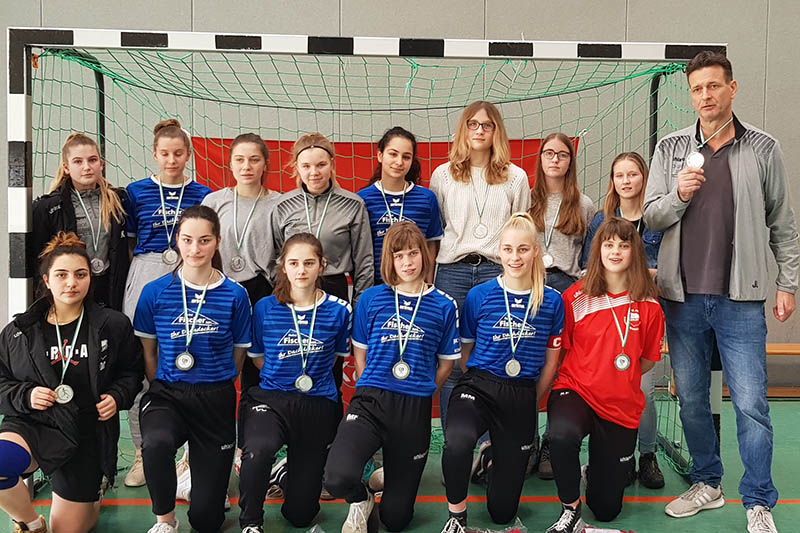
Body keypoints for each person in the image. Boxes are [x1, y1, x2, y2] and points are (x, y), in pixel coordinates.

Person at [643, 51, 800, 533]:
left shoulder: (762, 148)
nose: (705, 96)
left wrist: (787, 283)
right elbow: (649, 216)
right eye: (697, 88)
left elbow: (784, 225)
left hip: (741, 298)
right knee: (690, 398)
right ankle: (707, 483)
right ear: (689, 94)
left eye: (714, 86)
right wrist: (679, 195)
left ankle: (758, 501)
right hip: (682, 297)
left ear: (732, 89)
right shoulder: (670, 149)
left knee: (751, 402)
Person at [0, 232, 142, 533]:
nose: (71, 283)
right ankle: (30, 523)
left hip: (84, 431)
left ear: (90, 278)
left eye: (80, 275)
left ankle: (91, 495)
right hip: (33, 423)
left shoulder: (113, 325)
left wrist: (117, 397)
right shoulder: (19, 331)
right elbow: (1, 383)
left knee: (68, 529)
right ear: (47, 279)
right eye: (61, 275)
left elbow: (132, 374)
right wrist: (25, 395)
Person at [325, 221, 460, 533]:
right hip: (371, 401)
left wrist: (424, 390)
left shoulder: (443, 304)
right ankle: (362, 499)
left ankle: (387, 475)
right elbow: (359, 353)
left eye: (413, 253)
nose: (407, 262)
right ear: (390, 260)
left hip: (414, 408)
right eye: (399, 256)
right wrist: (368, 383)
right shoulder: (372, 299)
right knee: (336, 478)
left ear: (424, 256)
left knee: (396, 520)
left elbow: (445, 364)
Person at [440, 213, 563, 533]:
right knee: (457, 440)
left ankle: (492, 458)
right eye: (508, 249)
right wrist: (481, 379)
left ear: (535, 251)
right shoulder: (480, 295)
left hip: (522, 391)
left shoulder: (551, 301)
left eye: (522, 249)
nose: (514, 257)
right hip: (479, 386)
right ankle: (457, 517)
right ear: (499, 252)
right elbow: (466, 351)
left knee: (502, 513)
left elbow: (551, 362)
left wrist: (530, 398)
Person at [133, 205, 251, 533]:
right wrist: (165, 385)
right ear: (177, 240)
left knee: (205, 521)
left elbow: (239, 354)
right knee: (155, 443)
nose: (194, 249)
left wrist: (214, 378)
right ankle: (165, 521)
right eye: (187, 240)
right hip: (168, 393)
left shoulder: (236, 294)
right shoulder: (154, 292)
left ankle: (202, 490)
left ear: (217, 242)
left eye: (203, 240)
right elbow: (148, 351)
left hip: (215, 396)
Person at [546, 217, 664, 533]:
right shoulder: (575, 297)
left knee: (606, 510)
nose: (615, 251)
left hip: (620, 405)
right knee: (560, 435)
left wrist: (615, 377)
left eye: (624, 246)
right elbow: (561, 354)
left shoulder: (650, 305)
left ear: (634, 253)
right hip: (576, 390)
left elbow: (646, 362)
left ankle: (596, 471)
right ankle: (570, 508)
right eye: (608, 245)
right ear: (598, 250)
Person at [429, 101, 531, 456]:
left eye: (487, 125)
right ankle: (455, 447)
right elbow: (437, 230)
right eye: (472, 124)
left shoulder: (516, 177)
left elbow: (521, 231)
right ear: (463, 129)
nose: (479, 130)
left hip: (495, 271)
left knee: (492, 356)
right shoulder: (442, 175)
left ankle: (490, 447)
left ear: (497, 131)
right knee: (451, 357)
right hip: (453, 271)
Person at [238, 233, 352, 532]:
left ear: (322, 266)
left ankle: (284, 476)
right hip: (271, 399)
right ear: (283, 267)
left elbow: (337, 358)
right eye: (294, 263)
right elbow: (258, 358)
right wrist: (282, 375)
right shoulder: (264, 308)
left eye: (309, 263)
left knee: (301, 515)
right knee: (259, 449)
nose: (301, 270)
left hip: (318, 403)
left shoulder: (340, 311)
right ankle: (251, 522)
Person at [121, 118, 211, 488]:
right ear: (155, 154)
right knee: (140, 359)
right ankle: (145, 451)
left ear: (188, 155)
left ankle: (190, 455)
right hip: (146, 270)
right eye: (165, 153)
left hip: (189, 271)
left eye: (178, 153)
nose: (171, 159)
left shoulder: (203, 192)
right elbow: (127, 243)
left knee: (192, 348)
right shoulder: (136, 191)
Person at [580, 152, 665, 489]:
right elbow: (589, 269)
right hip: (607, 316)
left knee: (643, 388)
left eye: (633, 174)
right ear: (612, 181)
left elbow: (666, 268)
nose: (626, 181)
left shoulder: (658, 217)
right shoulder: (601, 221)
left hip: (644, 311)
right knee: (609, 387)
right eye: (619, 175)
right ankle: (618, 456)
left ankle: (647, 455)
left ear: (644, 178)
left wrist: (639, 273)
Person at [202, 133, 280, 434]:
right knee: (214, 364)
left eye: (254, 159)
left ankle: (252, 442)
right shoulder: (214, 201)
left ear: (265, 164)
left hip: (262, 290)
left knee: (254, 368)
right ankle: (210, 441)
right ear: (231, 163)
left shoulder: (279, 203)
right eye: (240, 159)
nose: (246, 166)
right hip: (220, 291)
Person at [529, 131, 595, 479]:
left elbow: (587, 258)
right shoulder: (525, 198)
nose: (555, 159)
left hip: (567, 290)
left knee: (561, 372)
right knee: (529, 366)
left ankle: (551, 443)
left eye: (562, 154)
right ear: (539, 159)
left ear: (571, 161)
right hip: (531, 287)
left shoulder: (583, 204)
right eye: (548, 153)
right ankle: (521, 441)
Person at [267, 132, 373, 305]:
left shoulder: (353, 204)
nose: (314, 172)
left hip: (336, 286)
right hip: (295, 288)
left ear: (331, 164)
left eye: (321, 164)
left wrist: (360, 303)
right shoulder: (282, 205)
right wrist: (281, 292)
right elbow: (277, 256)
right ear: (297, 167)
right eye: (306, 166)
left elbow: (364, 260)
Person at [31, 133, 129, 310]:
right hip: (71, 288)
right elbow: (38, 259)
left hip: (111, 287)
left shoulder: (120, 200)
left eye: (92, 160)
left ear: (101, 164)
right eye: (78, 162)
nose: (87, 167)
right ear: (66, 167)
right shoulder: (48, 207)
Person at [357, 127, 443, 283]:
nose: (399, 162)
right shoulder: (362, 199)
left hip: (414, 286)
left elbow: (431, 244)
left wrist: (428, 283)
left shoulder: (426, 198)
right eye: (393, 154)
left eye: (406, 157)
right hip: (376, 286)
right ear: (380, 155)